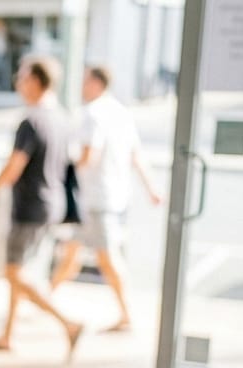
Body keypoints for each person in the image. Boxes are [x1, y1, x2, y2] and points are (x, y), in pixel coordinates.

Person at [0, 55, 83, 359]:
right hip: (52, 204)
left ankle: (68, 323)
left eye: (21, 76)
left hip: (31, 207)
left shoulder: (30, 121)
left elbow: (13, 168)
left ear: (35, 81)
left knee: (14, 273)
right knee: (19, 270)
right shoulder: (59, 116)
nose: (18, 82)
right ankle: (8, 335)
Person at [49, 65, 163, 332]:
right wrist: (151, 188)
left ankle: (126, 314)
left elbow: (90, 155)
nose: (81, 86)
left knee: (107, 258)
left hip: (94, 198)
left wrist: (61, 169)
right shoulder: (120, 112)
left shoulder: (92, 114)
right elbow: (136, 155)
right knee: (71, 253)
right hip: (111, 197)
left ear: (96, 83)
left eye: (85, 80)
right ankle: (46, 299)